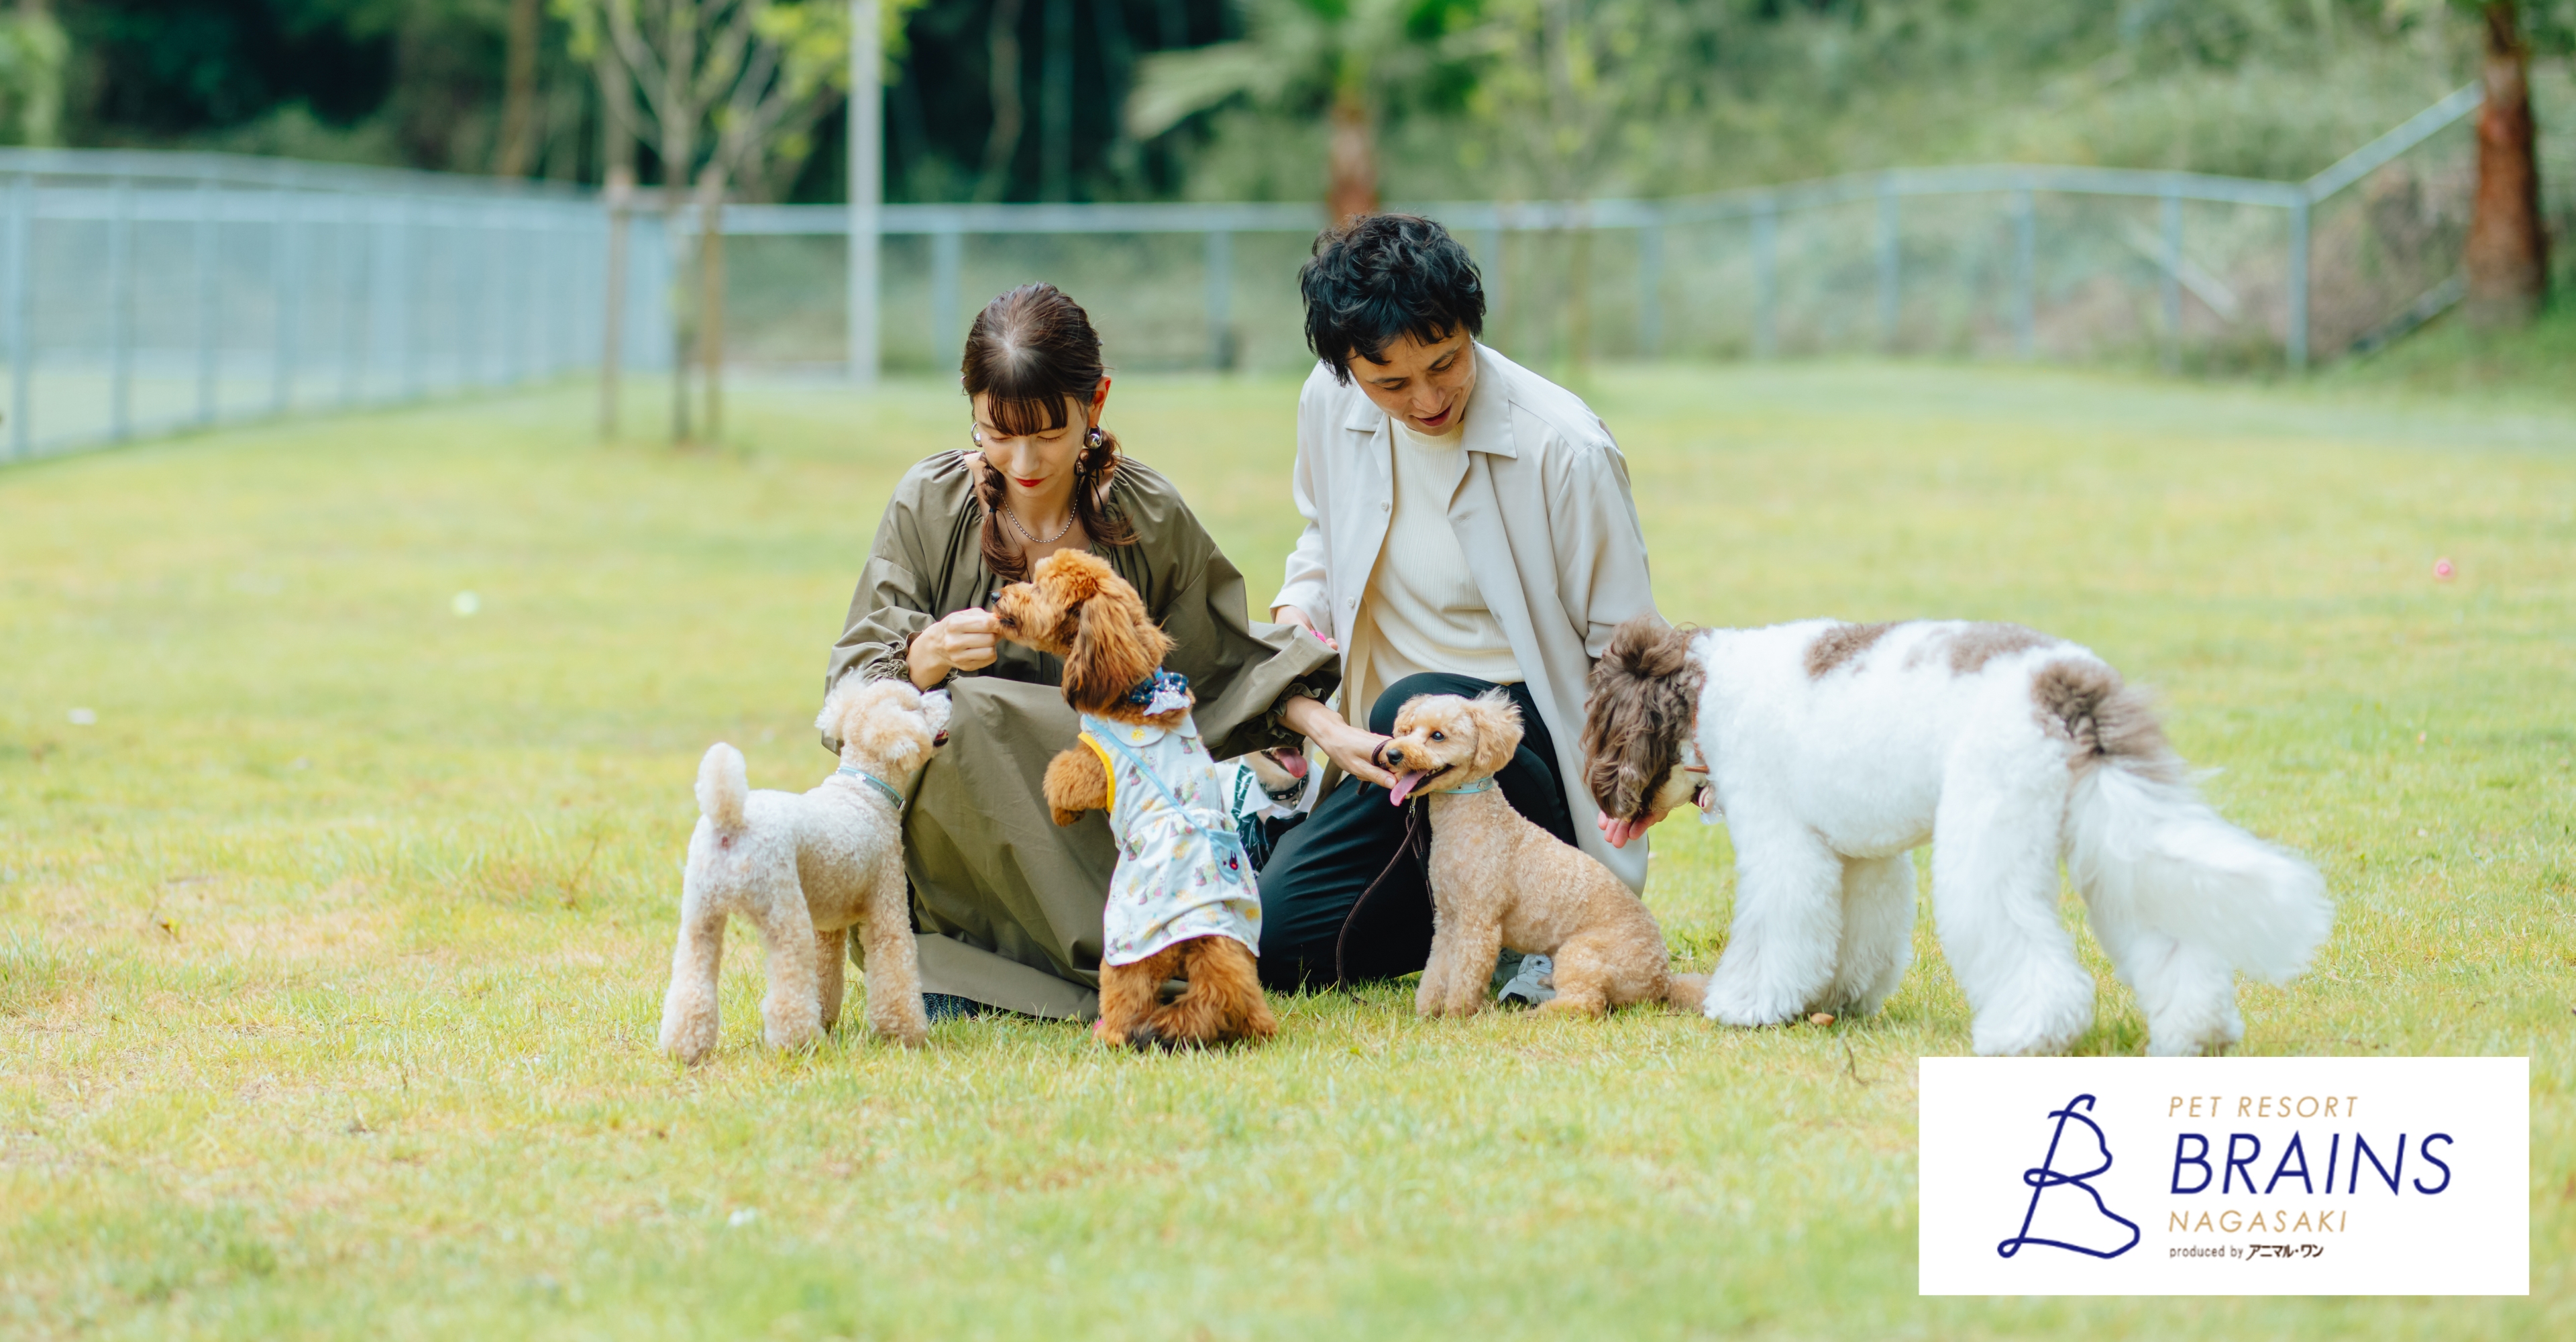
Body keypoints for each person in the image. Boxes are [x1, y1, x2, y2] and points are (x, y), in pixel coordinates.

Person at [826, 283, 1336, 1019]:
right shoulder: (929, 504)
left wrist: (1327, 728)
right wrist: (924, 655)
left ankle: (1146, 940)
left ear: (1095, 403)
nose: (1023, 460)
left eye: (1048, 432)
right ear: (970, 408)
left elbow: (1224, 666)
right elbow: (847, 693)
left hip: (1111, 839)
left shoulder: (1146, 514)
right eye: (996, 433)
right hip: (966, 881)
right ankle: (972, 971)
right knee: (957, 714)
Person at [1257, 213, 1660, 989]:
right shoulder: (1326, 402)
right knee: (1278, 944)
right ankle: (1477, 916)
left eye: (1445, 363)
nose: (1428, 398)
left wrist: (1639, 778)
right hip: (1396, 755)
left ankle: (1544, 912)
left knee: (1413, 697)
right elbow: (1319, 535)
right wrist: (1297, 618)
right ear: (1347, 371)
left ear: (1473, 328)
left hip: (1520, 753)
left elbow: (1627, 647)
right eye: (1392, 384)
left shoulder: (1564, 447)